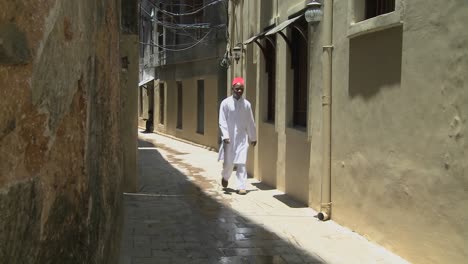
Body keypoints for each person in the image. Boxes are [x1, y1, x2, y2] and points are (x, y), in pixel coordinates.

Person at [218, 77, 257, 195]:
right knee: (228, 163)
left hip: (241, 138)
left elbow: (250, 121)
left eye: (241, 89)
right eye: (237, 89)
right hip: (229, 138)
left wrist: (253, 137)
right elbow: (222, 120)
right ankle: (225, 177)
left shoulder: (247, 105)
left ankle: (241, 186)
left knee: (241, 162)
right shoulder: (225, 103)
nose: (239, 91)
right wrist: (225, 136)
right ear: (232, 89)